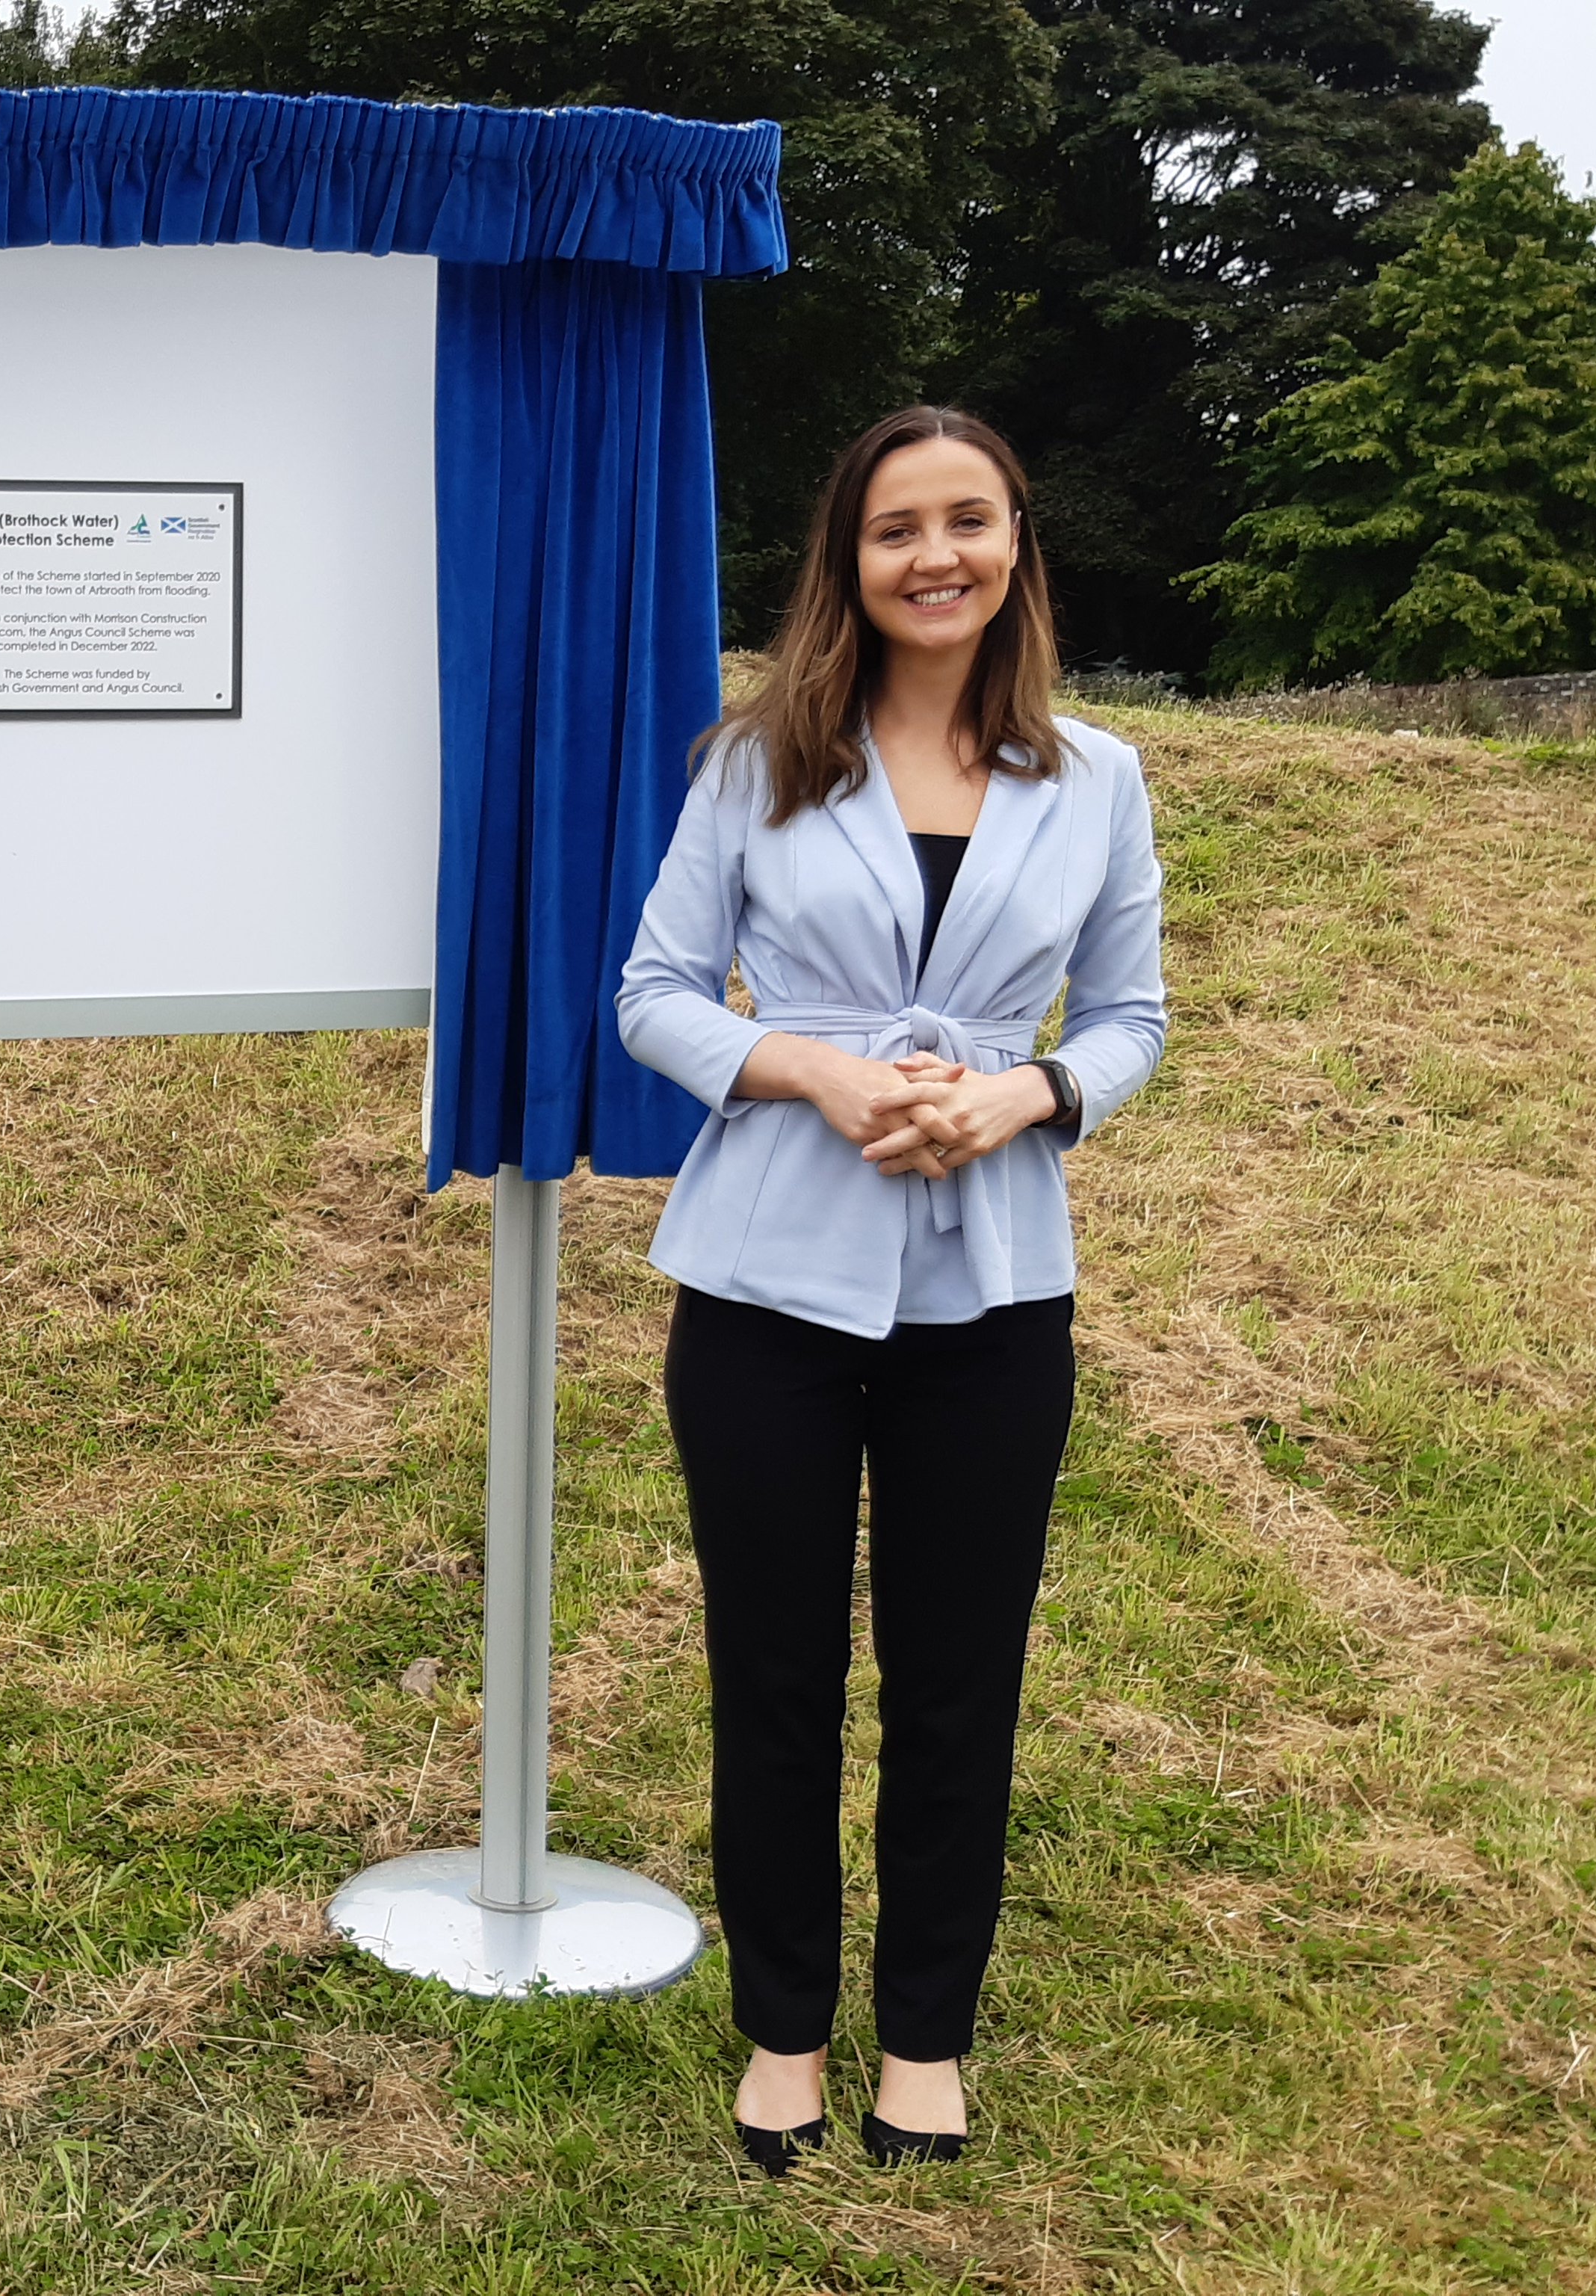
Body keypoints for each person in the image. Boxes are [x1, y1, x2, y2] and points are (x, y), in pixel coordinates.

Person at [616, 406, 1166, 2173]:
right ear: (843, 562)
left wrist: (1028, 1091)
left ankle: (922, 2036)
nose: (933, 556)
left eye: (966, 521)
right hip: (768, 1280)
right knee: (770, 1676)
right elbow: (650, 993)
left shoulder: (1095, 776)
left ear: (1015, 540)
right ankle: (783, 2029)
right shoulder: (757, 759)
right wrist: (814, 1073)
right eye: (892, 529)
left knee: (957, 1681)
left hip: (993, 1293)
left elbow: (1133, 1018)